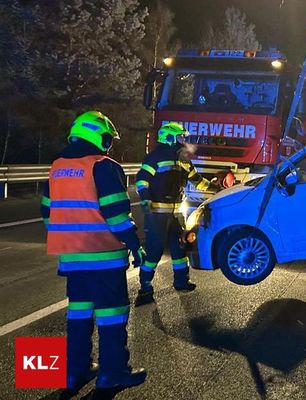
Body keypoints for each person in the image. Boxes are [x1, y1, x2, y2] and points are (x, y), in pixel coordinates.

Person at [41, 111, 147, 392]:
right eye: (107, 138)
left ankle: (74, 372)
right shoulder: (103, 166)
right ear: (95, 135)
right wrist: (135, 245)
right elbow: (117, 216)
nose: (108, 143)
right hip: (103, 258)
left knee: (79, 315)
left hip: (73, 260)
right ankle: (113, 373)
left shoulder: (56, 167)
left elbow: (46, 213)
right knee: (112, 316)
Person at [135, 122, 217, 302]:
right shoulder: (155, 157)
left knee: (180, 247)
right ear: (170, 138)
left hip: (177, 213)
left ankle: (181, 281)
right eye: (181, 137)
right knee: (154, 251)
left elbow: (198, 181)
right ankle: (145, 288)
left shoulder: (183, 159)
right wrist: (145, 198)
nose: (184, 141)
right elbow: (142, 180)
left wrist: (216, 189)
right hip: (157, 213)